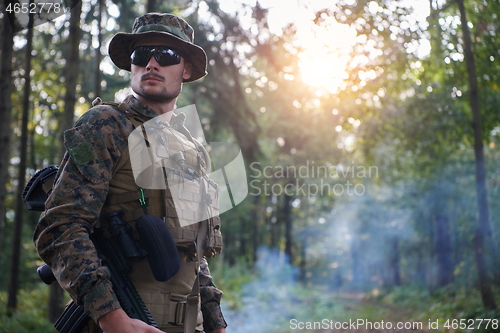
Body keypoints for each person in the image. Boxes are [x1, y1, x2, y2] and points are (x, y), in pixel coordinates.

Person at [33, 13, 227, 333]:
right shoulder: (105, 125)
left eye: (166, 55)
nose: (152, 64)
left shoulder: (192, 151)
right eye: (141, 55)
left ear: (186, 69)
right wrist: (113, 318)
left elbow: (193, 255)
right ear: (132, 66)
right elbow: (61, 226)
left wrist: (216, 323)